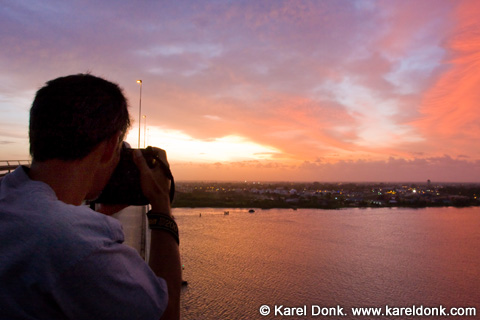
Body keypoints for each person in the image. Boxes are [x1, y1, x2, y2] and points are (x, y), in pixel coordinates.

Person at [0, 74, 181, 319]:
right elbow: (164, 313)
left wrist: (97, 213)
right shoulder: (80, 245)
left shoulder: (9, 196)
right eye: (119, 149)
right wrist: (161, 205)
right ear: (109, 147)